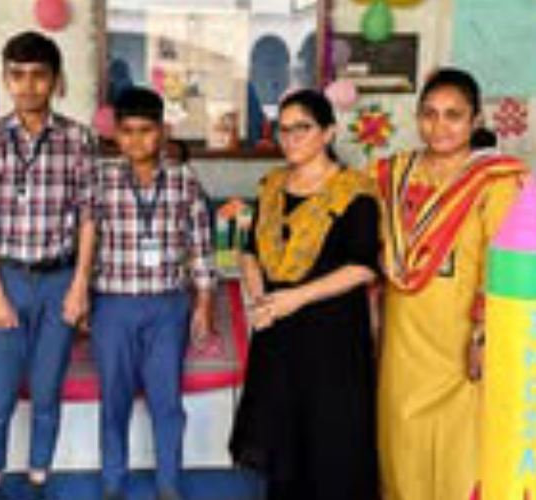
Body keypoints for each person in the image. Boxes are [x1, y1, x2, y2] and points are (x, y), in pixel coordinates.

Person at [371, 67, 527, 500]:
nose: (439, 126)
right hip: (404, 338)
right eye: (429, 114)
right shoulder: (394, 174)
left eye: (453, 115)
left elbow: (501, 265)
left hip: (462, 343)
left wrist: (483, 335)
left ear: (476, 121)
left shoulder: (496, 181)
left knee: (462, 458)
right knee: (402, 448)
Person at [229, 88, 380, 500]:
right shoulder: (272, 186)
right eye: (284, 129)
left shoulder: (355, 191)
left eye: (303, 128)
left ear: (328, 133)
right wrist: (260, 300)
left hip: (331, 337)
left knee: (330, 443)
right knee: (283, 442)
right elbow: (250, 252)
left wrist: (296, 298)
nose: (291, 138)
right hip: (278, 333)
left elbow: (363, 265)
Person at [0, 31, 98, 499]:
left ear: (55, 80)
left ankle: (39, 476)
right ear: (6, 79)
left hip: (59, 278)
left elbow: (88, 215)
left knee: (46, 391)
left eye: (38, 75)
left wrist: (80, 285)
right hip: (5, 278)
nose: (27, 85)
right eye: (17, 75)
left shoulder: (78, 138)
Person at [91, 86, 217, 500]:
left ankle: (168, 482)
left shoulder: (183, 181)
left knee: (167, 400)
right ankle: (112, 481)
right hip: (113, 305)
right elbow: (86, 244)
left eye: (146, 131)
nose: (136, 140)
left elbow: (200, 247)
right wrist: (81, 299)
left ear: (162, 132)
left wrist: (203, 305)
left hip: (167, 306)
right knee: (114, 400)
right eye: (127, 131)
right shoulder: (101, 180)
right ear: (115, 134)